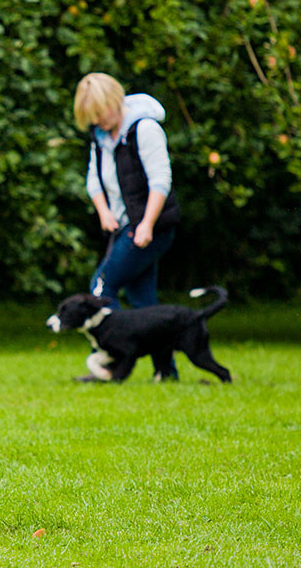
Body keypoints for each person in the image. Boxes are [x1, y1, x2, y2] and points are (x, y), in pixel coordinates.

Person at [72, 72, 181, 381]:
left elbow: (161, 179)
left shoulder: (144, 129)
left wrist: (146, 224)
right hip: (124, 226)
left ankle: (114, 364)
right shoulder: (101, 135)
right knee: (143, 299)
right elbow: (94, 178)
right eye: (91, 118)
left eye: (100, 113)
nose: (98, 122)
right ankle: (166, 372)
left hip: (150, 228)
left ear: (114, 101)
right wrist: (104, 212)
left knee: (102, 288)